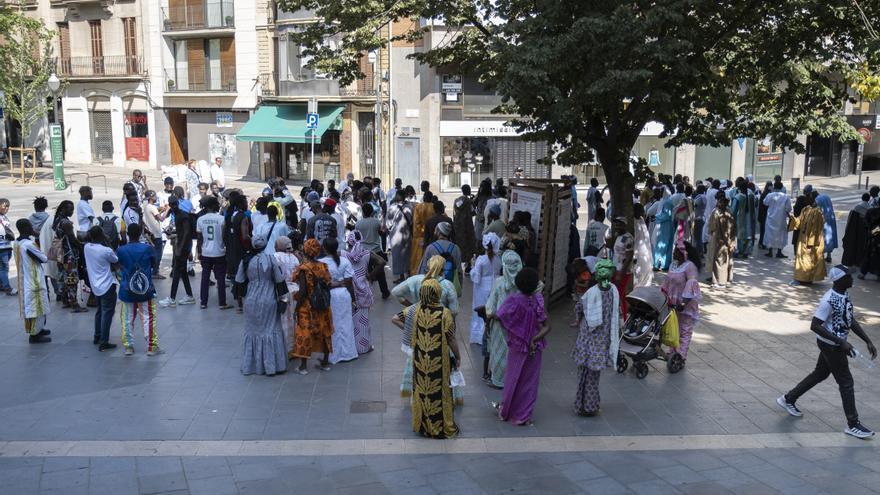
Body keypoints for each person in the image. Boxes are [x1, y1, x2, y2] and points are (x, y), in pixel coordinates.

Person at [777, 265, 876, 439]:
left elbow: (849, 319)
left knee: (820, 374)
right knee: (846, 382)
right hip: (831, 346)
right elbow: (814, 325)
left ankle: (788, 399)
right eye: (848, 276)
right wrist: (841, 343)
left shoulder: (844, 294)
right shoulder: (828, 300)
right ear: (839, 280)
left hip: (835, 344)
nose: (852, 279)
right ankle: (853, 424)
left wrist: (867, 340)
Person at [390, 279, 460, 439]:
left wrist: (413, 331)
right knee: (439, 391)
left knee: (422, 391)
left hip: (420, 360)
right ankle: (440, 426)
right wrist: (458, 356)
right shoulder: (444, 313)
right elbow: (451, 338)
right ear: (437, 293)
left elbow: (394, 318)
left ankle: (423, 426)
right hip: (439, 361)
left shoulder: (413, 310)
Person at [494, 267, 550, 426]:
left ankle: (506, 411)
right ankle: (523, 416)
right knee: (530, 382)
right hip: (535, 347)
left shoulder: (513, 300)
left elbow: (500, 316)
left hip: (518, 346)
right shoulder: (538, 299)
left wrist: (515, 329)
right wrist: (534, 339)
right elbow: (547, 326)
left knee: (513, 378)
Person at [235, 233, 288, 376]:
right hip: (269, 299)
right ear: (265, 245)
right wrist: (283, 300)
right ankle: (273, 367)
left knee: (253, 331)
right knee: (271, 330)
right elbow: (279, 281)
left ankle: (252, 366)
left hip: (251, 300)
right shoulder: (271, 260)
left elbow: (239, 282)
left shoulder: (246, 260)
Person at [573, 259, 620, 416]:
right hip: (600, 343)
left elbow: (579, 307)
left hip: (586, 339)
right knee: (593, 376)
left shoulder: (591, 293)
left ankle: (581, 405)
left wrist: (578, 319)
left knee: (583, 375)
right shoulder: (613, 292)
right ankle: (590, 406)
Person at [116, 223, 163, 356]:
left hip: (126, 288)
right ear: (141, 232)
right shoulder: (148, 249)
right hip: (145, 288)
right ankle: (151, 347)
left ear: (128, 235)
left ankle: (128, 347)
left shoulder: (121, 250)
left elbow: (118, 265)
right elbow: (154, 264)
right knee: (148, 316)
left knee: (127, 318)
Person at [291, 239, 334, 373]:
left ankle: (303, 367)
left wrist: (297, 308)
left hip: (308, 307)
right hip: (323, 306)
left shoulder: (304, 268)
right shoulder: (323, 266)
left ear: (305, 250)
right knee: (325, 332)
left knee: (304, 333)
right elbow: (328, 283)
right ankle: (325, 363)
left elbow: (303, 291)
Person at [485, 251, 524, 389]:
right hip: (518, 326)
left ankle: (499, 380)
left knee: (499, 352)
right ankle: (514, 380)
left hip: (499, 324)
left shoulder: (499, 283)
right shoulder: (523, 285)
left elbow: (490, 307)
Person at [342, 231, 384, 354]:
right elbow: (381, 262)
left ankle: (351, 347)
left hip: (349, 289)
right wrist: (370, 276)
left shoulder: (343, 254)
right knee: (363, 320)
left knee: (349, 320)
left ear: (348, 242)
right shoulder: (367, 253)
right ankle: (364, 347)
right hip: (364, 290)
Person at [661, 240, 702, 362]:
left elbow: (691, 284)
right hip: (673, 302)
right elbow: (667, 281)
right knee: (674, 328)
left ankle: (681, 356)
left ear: (683, 253)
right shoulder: (673, 265)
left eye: (675, 251)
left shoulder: (690, 267)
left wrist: (684, 303)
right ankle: (673, 351)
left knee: (685, 330)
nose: (673, 253)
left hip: (685, 303)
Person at [14, 219, 51, 343]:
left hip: (25, 279)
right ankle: (35, 335)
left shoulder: (17, 242)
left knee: (33, 307)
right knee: (36, 309)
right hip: (34, 280)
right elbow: (43, 258)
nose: (32, 228)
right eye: (30, 226)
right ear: (25, 228)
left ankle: (39, 329)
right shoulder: (28, 245)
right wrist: (37, 238)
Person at [84, 226, 119, 352]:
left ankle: (97, 336)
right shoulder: (106, 250)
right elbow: (115, 259)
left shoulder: (87, 247)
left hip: (95, 285)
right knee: (107, 313)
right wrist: (108, 241)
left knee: (100, 311)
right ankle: (104, 341)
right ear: (101, 235)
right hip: (107, 285)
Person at [159, 197, 196, 307]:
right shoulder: (175, 213)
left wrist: (180, 248)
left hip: (183, 247)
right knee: (183, 272)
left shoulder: (182, 215)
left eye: (175, 204)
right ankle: (189, 296)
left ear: (177, 204)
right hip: (182, 245)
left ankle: (172, 299)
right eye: (172, 205)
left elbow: (186, 233)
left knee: (176, 272)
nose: (174, 206)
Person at [196, 197, 232, 310]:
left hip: (206, 253)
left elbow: (199, 238)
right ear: (213, 206)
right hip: (219, 252)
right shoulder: (221, 219)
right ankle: (222, 303)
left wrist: (199, 252)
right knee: (221, 278)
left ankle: (203, 302)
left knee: (205, 277)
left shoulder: (200, 219)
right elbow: (224, 236)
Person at [52, 201, 86, 311]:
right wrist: (82, 247)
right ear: (63, 209)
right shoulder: (66, 223)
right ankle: (74, 304)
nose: (72, 211)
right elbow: (72, 239)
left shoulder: (57, 220)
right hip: (69, 255)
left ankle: (65, 301)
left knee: (63, 278)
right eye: (70, 209)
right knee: (72, 279)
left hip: (60, 255)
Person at [469, 233, 501, 345]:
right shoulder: (498, 260)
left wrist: (472, 266)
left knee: (480, 311)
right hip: (495, 286)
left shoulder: (481, 259)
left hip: (482, 288)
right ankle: (492, 334)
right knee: (492, 309)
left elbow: (476, 277)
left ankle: (480, 335)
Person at [355, 203, 390, 298]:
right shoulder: (376, 222)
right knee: (380, 273)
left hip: (364, 252)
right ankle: (385, 292)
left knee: (365, 272)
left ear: (363, 212)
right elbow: (381, 233)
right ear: (372, 212)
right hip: (376, 250)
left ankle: (367, 293)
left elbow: (357, 238)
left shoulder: (358, 224)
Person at [792, 191, 827, 285]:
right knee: (801, 258)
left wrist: (812, 241)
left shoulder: (818, 212)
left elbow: (817, 228)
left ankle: (807, 278)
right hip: (802, 238)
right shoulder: (805, 209)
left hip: (810, 240)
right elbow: (799, 221)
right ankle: (801, 278)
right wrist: (793, 220)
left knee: (809, 259)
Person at [273, 236, 299, 353]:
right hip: (295, 290)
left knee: (283, 321)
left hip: (282, 291)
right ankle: (294, 348)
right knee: (294, 319)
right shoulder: (294, 258)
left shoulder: (276, 257)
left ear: (279, 246)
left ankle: (283, 348)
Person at [707, 194, 736, 287]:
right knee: (728, 260)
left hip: (719, 239)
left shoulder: (717, 213)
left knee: (719, 260)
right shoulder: (730, 212)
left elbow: (712, 226)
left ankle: (719, 281)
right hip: (729, 239)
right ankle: (728, 279)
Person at [387, 191, 413, 283]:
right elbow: (411, 221)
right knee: (408, 254)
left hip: (395, 235)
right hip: (407, 233)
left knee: (397, 256)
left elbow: (388, 223)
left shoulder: (392, 208)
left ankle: (401, 276)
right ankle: (409, 274)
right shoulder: (409, 207)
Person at [842, 193, 872, 268]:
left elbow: (850, 222)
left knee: (854, 245)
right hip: (865, 231)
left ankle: (852, 261)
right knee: (862, 246)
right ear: (869, 199)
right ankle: (860, 261)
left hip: (855, 231)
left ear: (862, 198)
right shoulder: (871, 209)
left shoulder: (857, 207)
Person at [142, 191, 167, 278]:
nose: (156, 197)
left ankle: (153, 270)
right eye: (155, 196)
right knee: (158, 254)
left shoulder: (146, 207)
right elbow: (162, 219)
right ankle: (155, 272)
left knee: (153, 253)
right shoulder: (152, 207)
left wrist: (161, 210)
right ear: (151, 197)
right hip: (156, 234)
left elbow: (154, 216)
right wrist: (167, 210)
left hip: (150, 233)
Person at [763, 182, 791, 258]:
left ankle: (770, 252)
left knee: (770, 234)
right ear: (782, 187)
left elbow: (765, 203)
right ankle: (779, 252)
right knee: (781, 235)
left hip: (771, 218)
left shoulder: (769, 195)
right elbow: (789, 208)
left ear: (774, 187)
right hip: (781, 219)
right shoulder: (785, 197)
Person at [409, 191, 435, 274]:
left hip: (419, 237)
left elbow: (416, 222)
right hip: (432, 237)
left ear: (424, 197)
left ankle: (416, 273)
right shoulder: (435, 207)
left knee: (418, 258)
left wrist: (422, 231)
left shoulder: (418, 207)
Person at [453, 186, 477, 270]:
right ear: (468, 191)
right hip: (467, 225)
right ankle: (468, 265)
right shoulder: (469, 201)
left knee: (459, 243)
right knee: (469, 244)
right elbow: (473, 212)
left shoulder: (456, 201)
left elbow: (454, 213)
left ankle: (458, 263)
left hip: (458, 226)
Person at [732, 183, 757, 258]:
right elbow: (754, 206)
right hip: (749, 217)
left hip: (740, 218)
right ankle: (746, 251)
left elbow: (733, 210)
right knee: (747, 234)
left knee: (739, 235)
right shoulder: (751, 196)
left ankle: (739, 251)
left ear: (739, 188)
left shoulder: (737, 197)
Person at [652, 196, 675, 271]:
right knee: (668, 246)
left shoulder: (667, 203)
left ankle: (657, 264)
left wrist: (656, 217)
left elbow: (666, 215)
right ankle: (665, 264)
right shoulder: (669, 202)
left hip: (665, 226)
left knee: (661, 245)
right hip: (669, 225)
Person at [815, 192, 838, 262]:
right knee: (830, 237)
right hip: (831, 218)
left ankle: (821, 255)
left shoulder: (817, 199)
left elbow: (817, 211)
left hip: (824, 220)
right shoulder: (826, 196)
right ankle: (829, 256)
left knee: (823, 237)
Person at [0, 198, 15, 295]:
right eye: (4, 206)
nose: (6, 208)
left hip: (7, 245)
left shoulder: (4, 217)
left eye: (8, 206)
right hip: (2, 247)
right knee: (4, 268)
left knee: (3, 267)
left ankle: (2, 285)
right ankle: (7, 288)